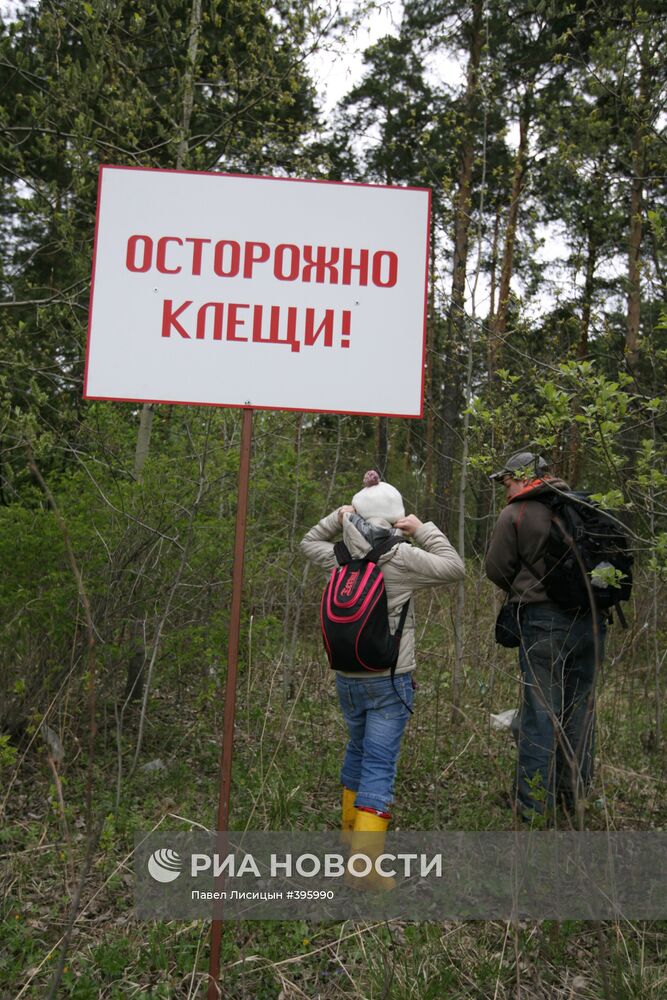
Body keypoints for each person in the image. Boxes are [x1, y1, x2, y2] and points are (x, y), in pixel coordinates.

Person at [300, 470, 464, 884]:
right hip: (390, 678)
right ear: (396, 518)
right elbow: (455, 567)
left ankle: (348, 834)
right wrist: (422, 528)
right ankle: (365, 867)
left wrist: (338, 520)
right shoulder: (401, 556)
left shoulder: (339, 553)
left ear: (355, 514)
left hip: (347, 675)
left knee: (357, 749)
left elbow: (307, 542)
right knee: (379, 763)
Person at [485, 450, 607, 822]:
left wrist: (527, 589)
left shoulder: (517, 513)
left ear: (522, 477)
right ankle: (575, 800)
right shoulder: (584, 507)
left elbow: (496, 569)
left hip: (543, 625)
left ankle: (534, 809)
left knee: (541, 715)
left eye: (507, 480)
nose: (505, 487)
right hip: (592, 625)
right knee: (579, 712)